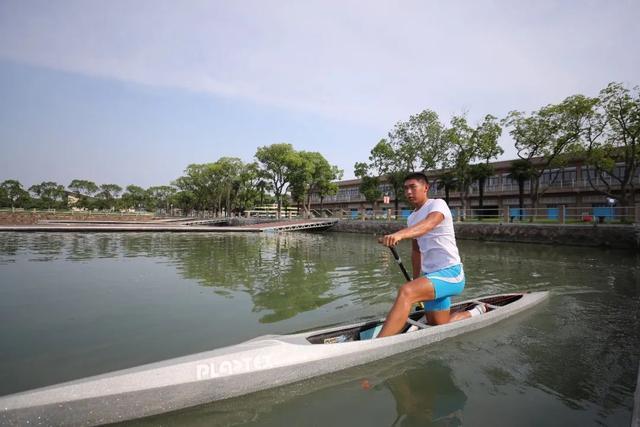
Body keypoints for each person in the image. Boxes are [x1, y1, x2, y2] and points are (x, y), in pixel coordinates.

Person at [377, 172, 484, 338]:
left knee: (406, 292)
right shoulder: (411, 218)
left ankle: (378, 345)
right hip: (431, 277)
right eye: (405, 188)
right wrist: (415, 279)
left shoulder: (438, 205)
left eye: (413, 187)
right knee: (439, 325)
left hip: (451, 274)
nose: (408, 192)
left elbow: (428, 224)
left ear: (426, 188)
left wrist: (399, 234)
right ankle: (477, 311)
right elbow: (416, 250)